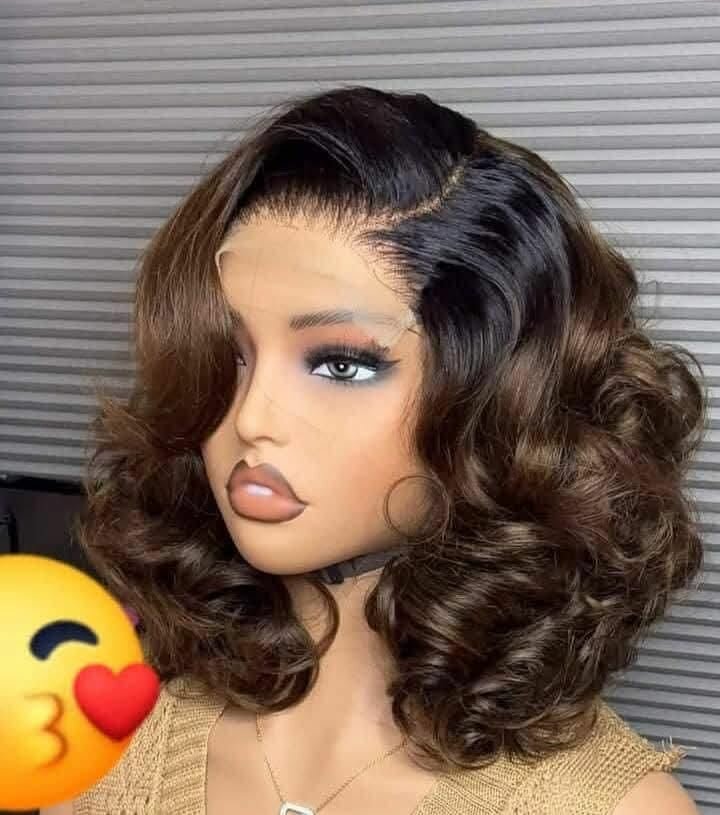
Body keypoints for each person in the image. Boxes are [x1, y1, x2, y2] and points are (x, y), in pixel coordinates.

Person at [43, 85, 706, 814]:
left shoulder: (609, 809)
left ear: (496, 400)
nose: (250, 417)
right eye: (228, 357)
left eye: (341, 364)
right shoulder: (103, 734)